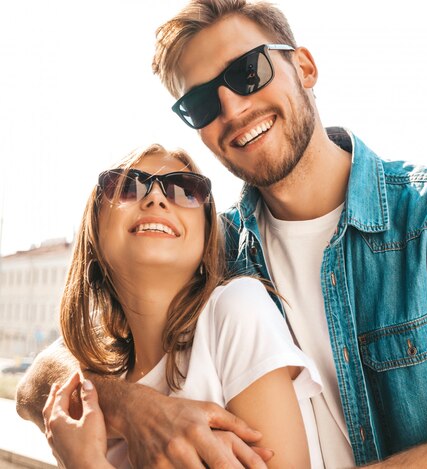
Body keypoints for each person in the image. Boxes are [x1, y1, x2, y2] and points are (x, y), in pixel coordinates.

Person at [17, 0, 427, 467]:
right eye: (201, 102)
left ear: (306, 67)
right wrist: (135, 409)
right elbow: (42, 377)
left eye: (248, 72)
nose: (232, 107)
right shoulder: (214, 251)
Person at [38, 143, 323, 468]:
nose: (156, 198)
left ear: (206, 243)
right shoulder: (92, 410)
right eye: (127, 186)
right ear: (94, 239)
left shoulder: (236, 309)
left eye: (186, 190)